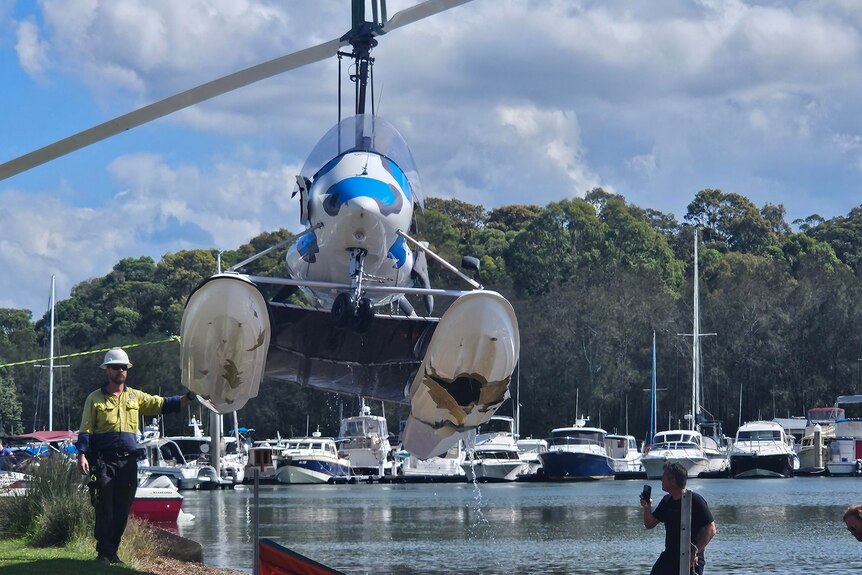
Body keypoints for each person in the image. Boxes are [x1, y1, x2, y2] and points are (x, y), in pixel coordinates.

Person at [75, 348, 197, 565]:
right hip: (103, 461)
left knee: (122, 508)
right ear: (107, 370)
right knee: (105, 507)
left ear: (127, 371)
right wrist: (82, 455)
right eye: (115, 367)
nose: (120, 371)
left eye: (123, 367)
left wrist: (189, 397)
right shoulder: (94, 399)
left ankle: (112, 552)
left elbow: (163, 404)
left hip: (128, 461)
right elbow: (86, 430)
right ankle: (103, 553)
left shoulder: (135, 397)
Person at [640, 461, 717, 575]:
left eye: (664, 477)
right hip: (669, 557)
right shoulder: (666, 501)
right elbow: (649, 524)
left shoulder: (695, 500)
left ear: (673, 480)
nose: (661, 480)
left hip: (691, 559)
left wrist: (695, 552)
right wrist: (647, 507)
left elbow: (711, 529)